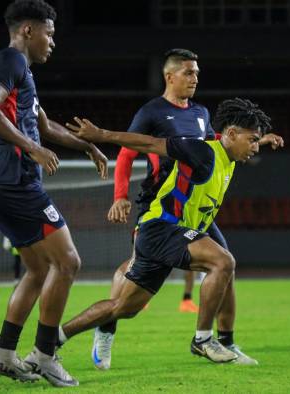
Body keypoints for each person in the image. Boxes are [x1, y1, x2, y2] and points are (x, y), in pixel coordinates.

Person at [62, 98, 282, 364]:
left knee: (123, 308)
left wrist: (262, 137)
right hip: (161, 228)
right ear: (232, 134)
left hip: (169, 233)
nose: (255, 148)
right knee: (223, 262)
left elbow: (232, 140)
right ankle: (203, 340)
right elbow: (149, 143)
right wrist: (102, 135)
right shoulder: (201, 151)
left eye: (257, 141)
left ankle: (52, 340)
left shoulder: (229, 156)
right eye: (252, 140)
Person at [0, 0, 108, 387]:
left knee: (37, 270)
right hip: (13, 178)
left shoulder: (21, 74)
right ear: (28, 30)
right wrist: (30, 148)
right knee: (68, 262)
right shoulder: (10, 61)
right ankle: (46, 356)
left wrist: (87, 146)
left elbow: (45, 127)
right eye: (48, 33)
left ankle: (3, 356)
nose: (52, 41)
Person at [108, 49, 210, 317]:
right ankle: (108, 323)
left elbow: (214, 145)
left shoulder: (201, 112)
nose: (195, 78)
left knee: (220, 261)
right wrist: (120, 196)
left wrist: (250, 139)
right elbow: (126, 153)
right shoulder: (152, 112)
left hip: (190, 202)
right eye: (188, 73)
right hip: (158, 201)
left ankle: (214, 338)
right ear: (169, 76)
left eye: (197, 73)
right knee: (136, 268)